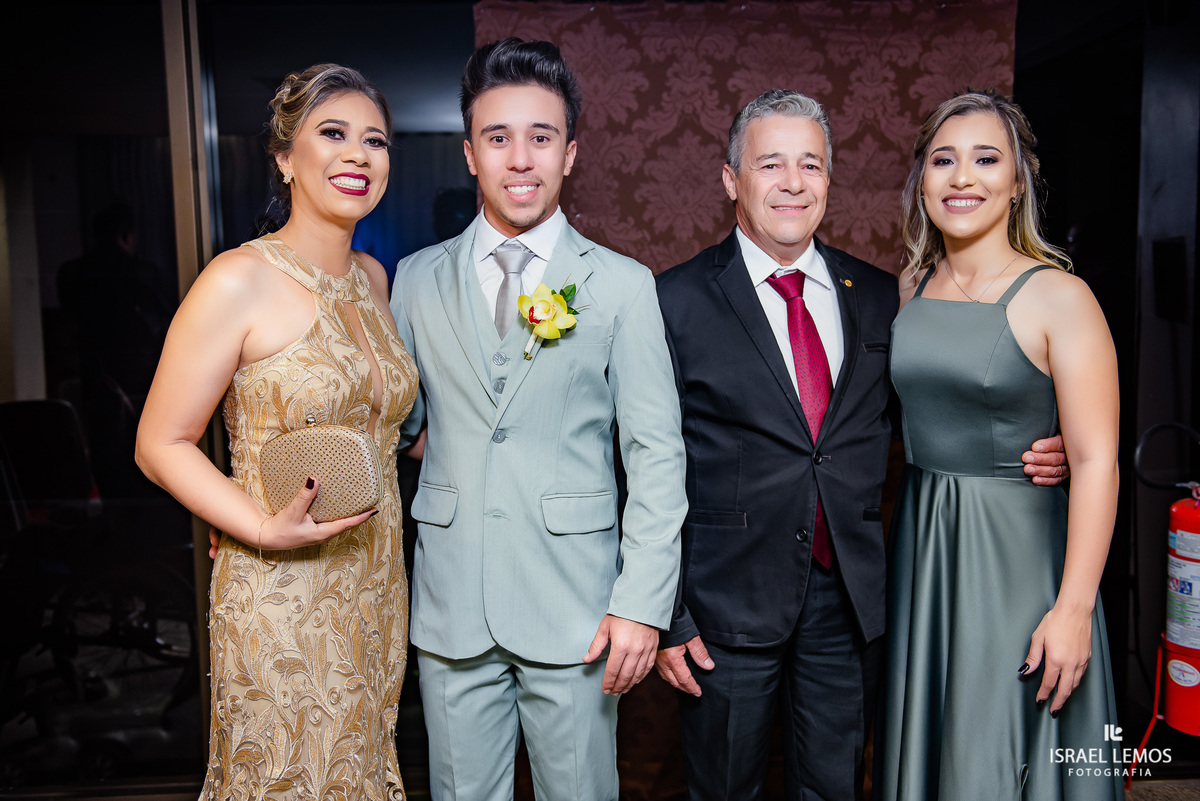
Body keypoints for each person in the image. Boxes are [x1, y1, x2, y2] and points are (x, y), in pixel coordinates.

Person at [653, 89, 1068, 800]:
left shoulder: (879, 294)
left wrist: (1033, 442)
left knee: (837, 786)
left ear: (829, 180)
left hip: (849, 603)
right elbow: (645, 463)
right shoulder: (673, 299)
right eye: (771, 164)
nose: (793, 182)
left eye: (810, 164)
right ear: (731, 180)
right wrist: (668, 613)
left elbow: (933, 408)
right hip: (723, 607)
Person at [389, 38, 686, 801]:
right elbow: (397, 423)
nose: (520, 158)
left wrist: (641, 604)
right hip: (453, 604)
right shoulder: (415, 279)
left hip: (579, 609)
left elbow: (655, 453)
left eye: (541, 137)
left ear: (571, 153)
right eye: (498, 137)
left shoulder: (621, 286)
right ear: (469, 154)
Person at [136, 64, 417, 798]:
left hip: (377, 583)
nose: (358, 154)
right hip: (282, 594)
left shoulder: (373, 279)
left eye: (376, 140)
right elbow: (160, 442)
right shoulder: (238, 279)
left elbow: (381, 421)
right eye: (333, 134)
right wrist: (259, 525)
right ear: (286, 158)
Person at [878, 90, 1121, 800]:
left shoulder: (1059, 296)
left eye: (987, 159)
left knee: (1001, 742)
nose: (962, 178)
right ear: (922, 180)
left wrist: (1073, 607)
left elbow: (1098, 460)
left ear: (1018, 182)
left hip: (1017, 559)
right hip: (924, 544)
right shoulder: (911, 285)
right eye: (943, 160)